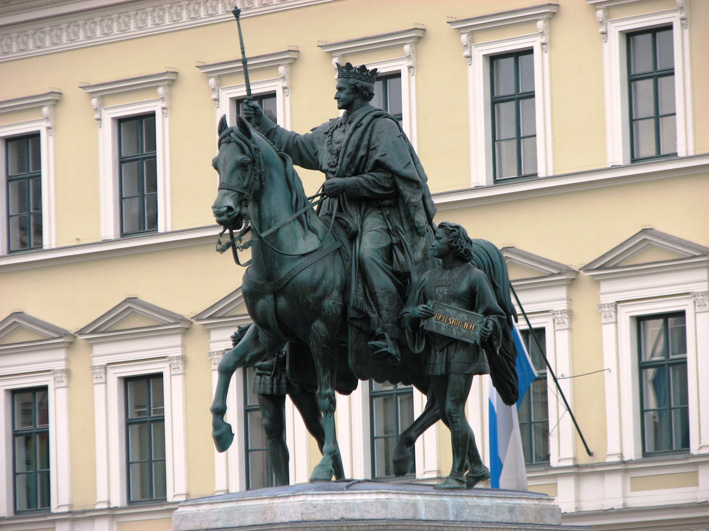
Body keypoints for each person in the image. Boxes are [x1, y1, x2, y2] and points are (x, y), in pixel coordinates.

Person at [243, 62, 436, 367]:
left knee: (369, 256)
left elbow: (392, 181)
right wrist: (263, 125)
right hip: (336, 214)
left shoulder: (382, 128)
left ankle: (389, 333)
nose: (336, 96)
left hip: (377, 213)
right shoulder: (332, 130)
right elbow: (295, 145)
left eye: (341, 90)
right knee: (300, 257)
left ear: (358, 92)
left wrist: (348, 184)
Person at [401, 222, 505, 489]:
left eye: (438, 239)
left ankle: (458, 474)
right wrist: (415, 314)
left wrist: (488, 326)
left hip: (463, 349)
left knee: (453, 409)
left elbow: (493, 313)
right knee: (446, 413)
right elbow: (407, 313)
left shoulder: (474, 276)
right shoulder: (427, 278)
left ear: (453, 243)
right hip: (437, 348)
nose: (433, 243)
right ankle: (478, 467)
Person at [230, 326, 334, 486]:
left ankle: (339, 474)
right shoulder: (261, 313)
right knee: (272, 430)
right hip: (267, 369)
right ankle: (281, 487)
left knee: (316, 425)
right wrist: (243, 341)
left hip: (293, 367)